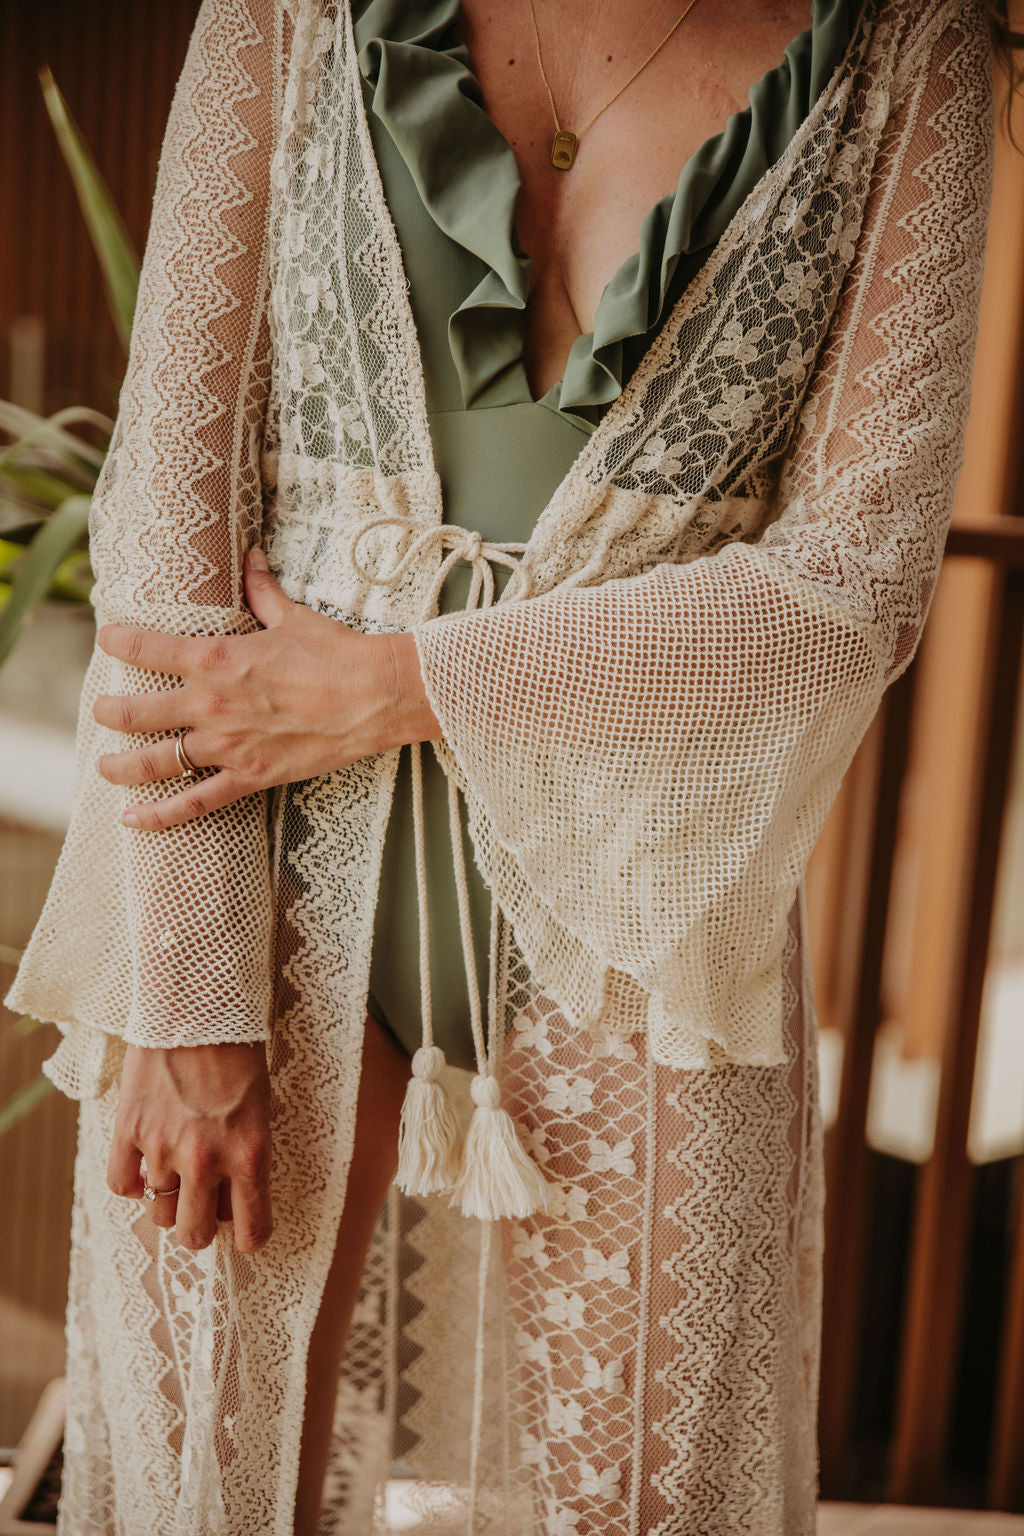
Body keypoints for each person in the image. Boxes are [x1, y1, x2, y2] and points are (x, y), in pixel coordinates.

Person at [4, 0, 1004, 1531]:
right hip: (258, 850)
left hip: (651, 905)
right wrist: (189, 997)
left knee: (646, 1503)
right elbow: (166, 511)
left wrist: (399, 687)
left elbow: (852, 586)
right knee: (211, 1482)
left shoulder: (907, 42)